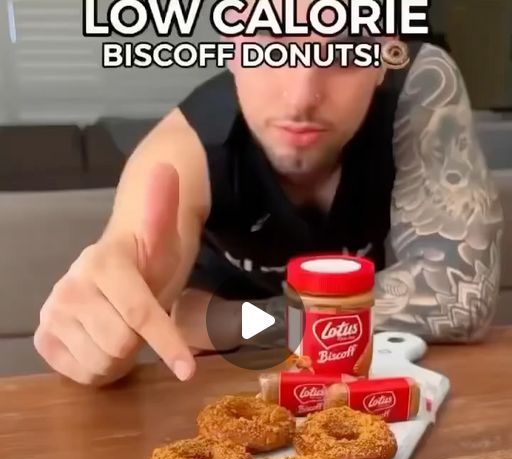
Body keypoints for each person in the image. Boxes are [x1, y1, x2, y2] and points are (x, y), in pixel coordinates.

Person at [34, 1, 503, 387]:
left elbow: (459, 298)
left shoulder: (422, 84)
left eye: (344, 49)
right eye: (272, 43)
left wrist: (238, 324)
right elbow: (129, 276)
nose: (301, 95)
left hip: (382, 386)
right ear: (232, 46)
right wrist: (102, 325)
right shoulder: (185, 149)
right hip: (221, 394)